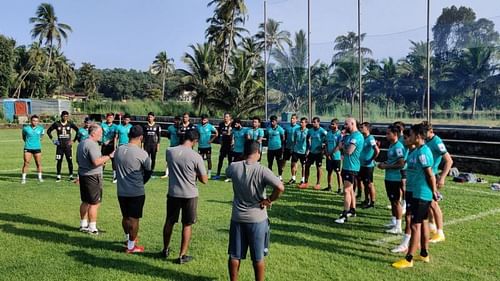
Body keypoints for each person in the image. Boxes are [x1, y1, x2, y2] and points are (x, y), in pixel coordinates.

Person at [226, 141, 285, 281]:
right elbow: (280, 187)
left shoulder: (234, 167)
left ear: (245, 152)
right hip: (257, 218)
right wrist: (269, 200)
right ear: (258, 153)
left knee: (234, 255)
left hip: (237, 216)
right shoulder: (262, 170)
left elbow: (229, 172)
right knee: (258, 257)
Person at [392, 123, 437, 269]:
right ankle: (424, 254)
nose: (407, 138)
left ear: (417, 137)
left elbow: (430, 175)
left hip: (420, 193)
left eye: (410, 135)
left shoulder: (423, 153)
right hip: (413, 192)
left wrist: (434, 191)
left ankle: (409, 258)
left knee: (415, 225)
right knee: (422, 223)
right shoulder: (414, 151)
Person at [162, 130, 208, 264]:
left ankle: (165, 249)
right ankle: (182, 255)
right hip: (190, 194)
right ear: (195, 141)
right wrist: (195, 175)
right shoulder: (196, 156)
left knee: (169, 221)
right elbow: (204, 180)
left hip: (173, 192)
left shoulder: (169, 151)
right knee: (187, 224)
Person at [114, 125, 153, 253]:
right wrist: (142, 182)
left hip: (121, 190)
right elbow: (148, 172)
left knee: (125, 216)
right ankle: (131, 246)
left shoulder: (119, 149)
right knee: (134, 219)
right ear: (141, 137)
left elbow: (115, 167)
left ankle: (128, 239)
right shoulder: (142, 153)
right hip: (136, 191)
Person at [77, 124, 114, 235]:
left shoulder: (82, 143)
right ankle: (92, 228)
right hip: (92, 176)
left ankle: (83, 224)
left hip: (83, 175)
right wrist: (110, 156)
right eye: (100, 133)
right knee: (94, 203)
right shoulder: (92, 145)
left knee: (85, 201)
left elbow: (78, 160)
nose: (101, 136)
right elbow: (97, 162)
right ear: (93, 133)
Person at [422, 121, 453, 243]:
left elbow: (449, 161)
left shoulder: (437, 142)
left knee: (433, 204)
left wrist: (442, 177)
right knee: (428, 202)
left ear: (431, 131)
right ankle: (432, 225)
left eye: (425, 133)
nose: (423, 135)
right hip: (425, 175)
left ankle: (440, 232)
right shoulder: (426, 141)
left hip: (433, 175)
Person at [335, 118, 364, 224]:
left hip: (352, 167)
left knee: (346, 190)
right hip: (347, 166)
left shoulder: (357, 136)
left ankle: (344, 214)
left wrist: (342, 148)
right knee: (350, 190)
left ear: (353, 124)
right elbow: (341, 144)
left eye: (346, 124)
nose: (345, 126)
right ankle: (352, 210)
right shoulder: (349, 136)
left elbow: (349, 151)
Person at [378, 125, 405, 234]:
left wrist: (386, 167)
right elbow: (393, 161)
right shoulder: (392, 145)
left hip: (395, 178)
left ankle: (398, 226)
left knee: (396, 202)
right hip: (389, 177)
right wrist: (385, 163)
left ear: (395, 134)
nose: (386, 135)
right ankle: (394, 221)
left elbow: (401, 163)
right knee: (392, 201)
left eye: (388, 133)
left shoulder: (398, 147)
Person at [391, 128, 415, 253]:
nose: (403, 140)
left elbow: (429, 173)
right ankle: (409, 247)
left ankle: (413, 250)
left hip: (418, 190)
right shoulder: (411, 152)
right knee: (410, 219)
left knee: (415, 220)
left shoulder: (421, 152)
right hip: (412, 188)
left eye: (406, 138)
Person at [47, 111, 79, 182]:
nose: (65, 117)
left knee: (69, 160)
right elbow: (48, 131)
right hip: (60, 146)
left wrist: (73, 140)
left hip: (68, 146)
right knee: (59, 161)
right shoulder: (57, 123)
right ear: (61, 116)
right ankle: (58, 175)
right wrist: (53, 140)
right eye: (64, 116)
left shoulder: (70, 123)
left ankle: (71, 175)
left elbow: (78, 130)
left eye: (66, 116)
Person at [301, 117, 327, 190]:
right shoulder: (310, 131)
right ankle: (305, 182)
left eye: (314, 122)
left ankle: (318, 184)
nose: (313, 123)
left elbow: (327, 138)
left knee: (318, 167)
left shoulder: (322, 131)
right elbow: (307, 138)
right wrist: (308, 148)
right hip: (311, 152)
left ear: (318, 122)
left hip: (319, 153)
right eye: (312, 122)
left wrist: (323, 146)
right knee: (307, 165)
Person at [358, 122, 380, 207]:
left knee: (370, 183)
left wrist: (371, 159)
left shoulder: (370, 138)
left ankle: (372, 202)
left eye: (362, 127)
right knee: (365, 183)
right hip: (362, 165)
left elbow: (377, 150)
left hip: (368, 166)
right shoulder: (363, 138)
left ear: (367, 129)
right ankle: (366, 200)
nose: (360, 129)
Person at [21, 115, 45, 184]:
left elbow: (42, 136)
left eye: (37, 121)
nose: (35, 122)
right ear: (31, 121)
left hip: (37, 148)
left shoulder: (41, 129)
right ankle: (23, 179)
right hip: (28, 148)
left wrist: (37, 141)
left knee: (38, 163)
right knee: (26, 163)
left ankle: (40, 178)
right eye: (34, 120)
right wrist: (28, 142)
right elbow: (23, 137)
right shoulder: (26, 128)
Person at [323, 119, 342, 193]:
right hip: (329, 156)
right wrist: (327, 153)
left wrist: (331, 153)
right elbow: (326, 144)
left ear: (337, 125)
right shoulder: (328, 133)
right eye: (331, 124)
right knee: (329, 171)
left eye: (333, 124)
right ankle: (329, 186)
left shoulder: (339, 134)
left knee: (338, 172)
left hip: (336, 156)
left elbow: (339, 146)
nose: (331, 125)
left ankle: (339, 188)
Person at [197, 114, 218, 179]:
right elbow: (196, 133)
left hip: (207, 146)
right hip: (200, 146)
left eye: (205, 120)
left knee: (209, 159)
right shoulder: (198, 126)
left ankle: (209, 173)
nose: (203, 121)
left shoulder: (210, 126)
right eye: (202, 120)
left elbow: (217, 133)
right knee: (200, 160)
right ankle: (201, 173)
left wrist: (211, 140)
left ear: (207, 120)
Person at [214, 113, 233, 180]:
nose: (225, 118)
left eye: (227, 117)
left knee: (230, 160)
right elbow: (218, 133)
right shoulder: (221, 124)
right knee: (220, 159)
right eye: (225, 117)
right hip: (223, 145)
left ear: (230, 118)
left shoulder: (232, 125)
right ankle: (218, 174)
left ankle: (229, 175)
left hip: (230, 146)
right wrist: (220, 141)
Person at [266, 115, 285, 181]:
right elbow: (267, 137)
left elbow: (283, 138)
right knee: (270, 163)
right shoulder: (268, 129)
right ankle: (270, 176)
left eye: (273, 121)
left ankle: (280, 176)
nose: (272, 123)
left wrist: (281, 147)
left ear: (276, 121)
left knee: (279, 163)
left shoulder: (280, 129)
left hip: (278, 149)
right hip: (270, 149)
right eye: (271, 121)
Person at [100, 113, 118, 182]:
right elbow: (100, 133)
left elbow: (116, 136)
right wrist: (102, 141)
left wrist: (110, 141)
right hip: (104, 146)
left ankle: (115, 177)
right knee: (103, 160)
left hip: (112, 145)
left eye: (111, 117)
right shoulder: (102, 125)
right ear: (106, 117)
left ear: (113, 118)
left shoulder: (115, 126)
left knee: (114, 161)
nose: (110, 118)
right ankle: (100, 175)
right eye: (109, 117)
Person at [283, 114, 300, 184]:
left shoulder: (298, 128)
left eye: (293, 118)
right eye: (291, 118)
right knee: (283, 161)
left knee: (293, 163)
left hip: (295, 149)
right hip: (287, 147)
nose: (292, 120)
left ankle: (293, 178)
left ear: (296, 120)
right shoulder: (287, 128)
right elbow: (285, 138)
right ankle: (280, 176)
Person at [293, 118, 309, 188]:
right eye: (300, 122)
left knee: (303, 165)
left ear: (306, 123)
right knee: (294, 164)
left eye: (302, 122)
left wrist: (308, 150)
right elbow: (295, 139)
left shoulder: (308, 131)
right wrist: (293, 148)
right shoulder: (296, 130)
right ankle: (293, 178)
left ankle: (302, 179)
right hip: (296, 150)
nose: (301, 123)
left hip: (303, 151)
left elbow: (309, 142)